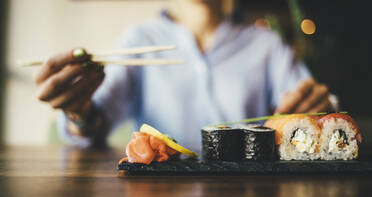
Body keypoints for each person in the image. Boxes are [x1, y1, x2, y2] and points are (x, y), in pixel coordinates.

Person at [34, 0, 335, 149]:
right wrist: (79, 112)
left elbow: (311, 105)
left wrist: (322, 110)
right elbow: (95, 124)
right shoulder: (140, 39)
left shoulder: (266, 43)